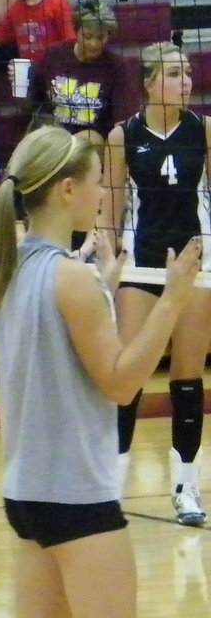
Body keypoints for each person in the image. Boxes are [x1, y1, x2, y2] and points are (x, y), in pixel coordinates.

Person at [0, 124, 202, 618]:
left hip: (27, 492)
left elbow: (65, 344)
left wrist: (105, 289)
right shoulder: (69, 281)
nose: (105, 196)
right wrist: (172, 302)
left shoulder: (11, 267)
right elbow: (120, 383)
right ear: (68, 189)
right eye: (95, 185)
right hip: (76, 496)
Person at [99, 42, 211, 527]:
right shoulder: (123, 135)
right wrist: (107, 251)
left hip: (193, 264)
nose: (185, 80)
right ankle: (112, 484)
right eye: (173, 73)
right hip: (142, 265)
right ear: (148, 82)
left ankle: (186, 486)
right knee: (127, 377)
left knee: (187, 379)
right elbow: (110, 203)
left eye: (186, 72)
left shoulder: (203, 130)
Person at [28, 0, 131, 149]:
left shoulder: (117, 66)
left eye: (101, 37)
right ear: (76, 31)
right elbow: (32, 104)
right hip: (54, 136)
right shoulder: (54, 54)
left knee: (90, 138)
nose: (94, 44)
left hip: (92, 141)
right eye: (88, 36)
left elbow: (121, 122)